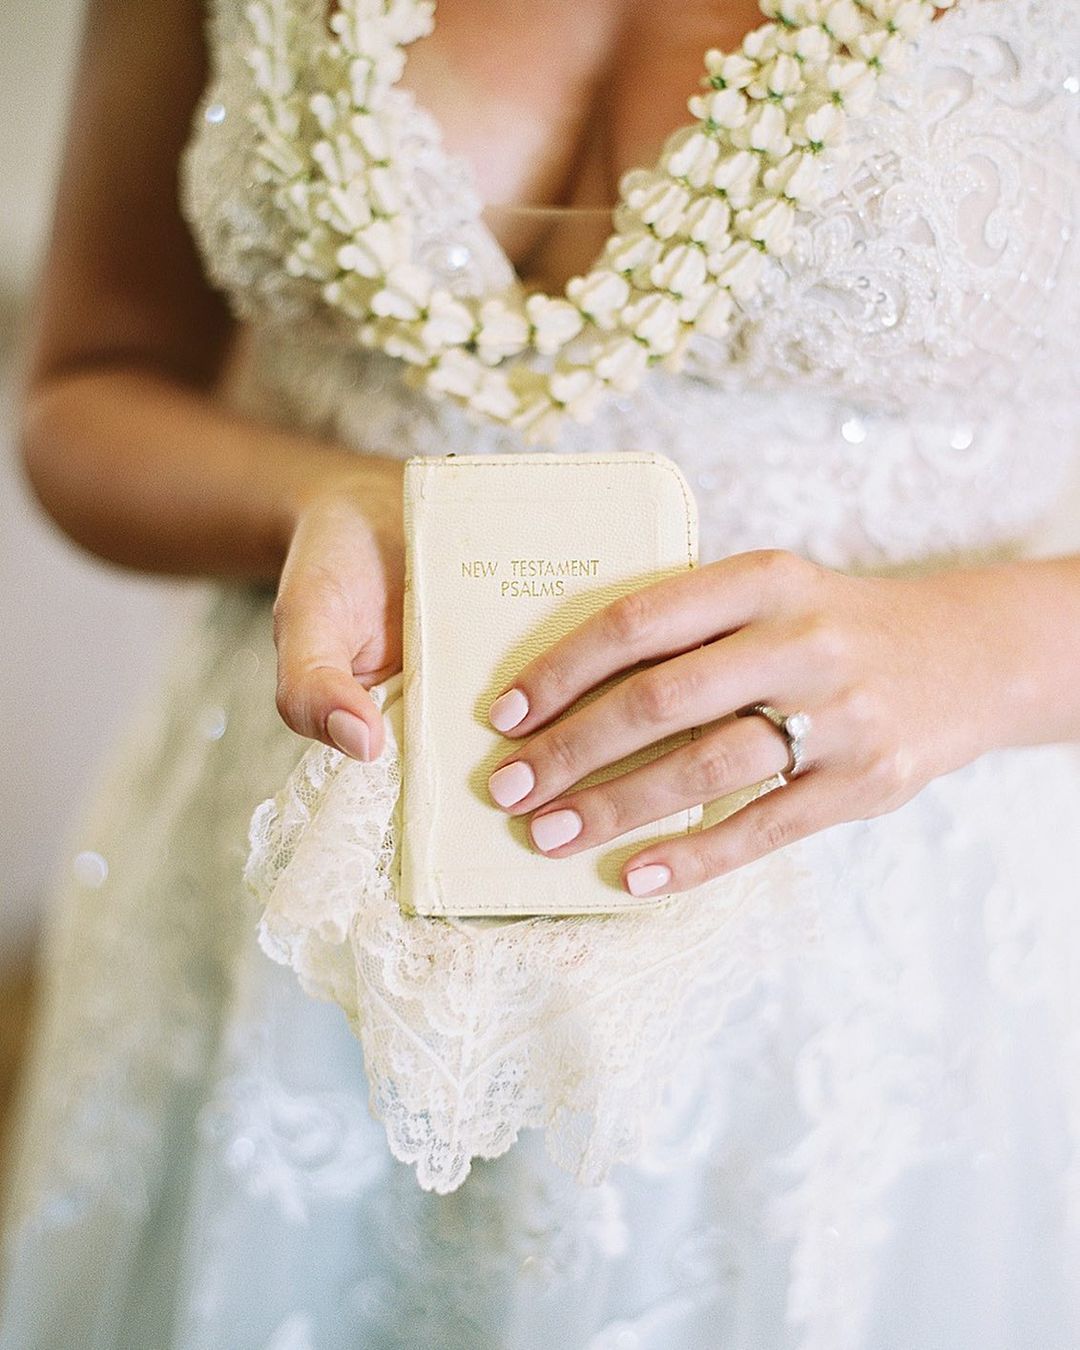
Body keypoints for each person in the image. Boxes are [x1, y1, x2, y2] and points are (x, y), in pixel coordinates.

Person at [1, 0, 1080, 1345]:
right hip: (301, 905)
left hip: (871, 946)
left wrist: (989, 651)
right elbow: (87, 388)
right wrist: (337, 500)